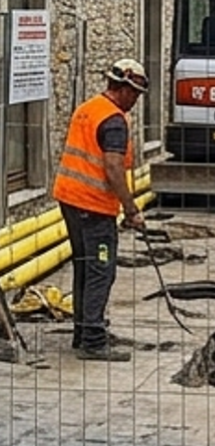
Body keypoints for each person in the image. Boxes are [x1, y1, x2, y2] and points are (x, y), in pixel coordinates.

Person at [53, 58, 148, 362]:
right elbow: (113, 166)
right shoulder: (114, 120)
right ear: (124, 89)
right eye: (135, 94)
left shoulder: (88, 108)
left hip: (70, 200)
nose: (135, 101)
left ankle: (83, 331)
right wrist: (132, 210)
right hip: (93, 207)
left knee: (84, 266)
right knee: (100, 270)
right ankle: (93, 338)